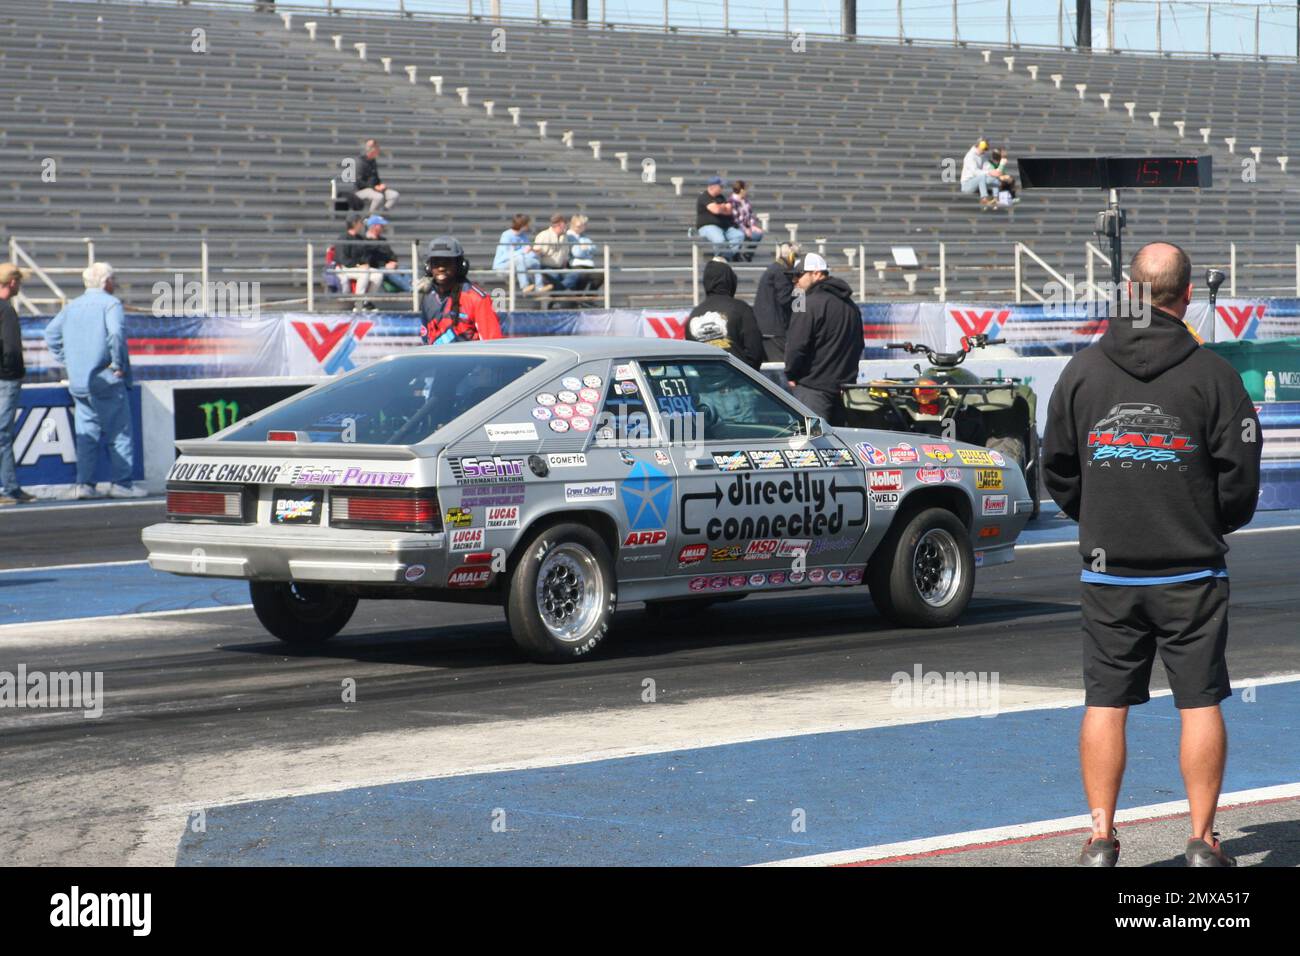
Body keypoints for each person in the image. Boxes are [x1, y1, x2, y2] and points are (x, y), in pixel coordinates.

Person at [1042, 242, 1262, 868]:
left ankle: (1100, 838)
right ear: (1185, 296)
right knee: (1199, 700)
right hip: (1190, 566)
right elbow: (1240, 479)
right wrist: (1208, 521)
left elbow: (1056, 465)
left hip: (1108, 568)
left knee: (1105, 700)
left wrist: (1100, 516)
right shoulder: (1214, 375)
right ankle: (1201, 840)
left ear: (1131, 293)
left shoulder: (1082, 370)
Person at [43, 263, 144, 499]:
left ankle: (85, 484)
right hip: (105, 378)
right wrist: (118, 365)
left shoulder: (73, 306)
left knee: (86, 434)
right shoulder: (110, 304)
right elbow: (117, 333)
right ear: (105, 281)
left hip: (78, 380)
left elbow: (50, 334)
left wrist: (69, 361)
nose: (114, 283)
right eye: (113, 279)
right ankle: (122, 484)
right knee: (119, 432)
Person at [782, 253, 861, 426]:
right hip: (844, 391)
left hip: (812, 390)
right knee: (840, 449)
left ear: (816, 274)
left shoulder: (807, 304)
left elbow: (796, 346)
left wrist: (791, 373)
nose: (795, 280)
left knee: (810, 447)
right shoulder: (851, 306)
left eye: (798, 275)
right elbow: (859, 346)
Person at [419, 236, 503, 344]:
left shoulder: (477, 299)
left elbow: (493, 345)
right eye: (436, 262)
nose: (441, 268)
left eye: (447, 262)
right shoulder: (428, 297)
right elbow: (426, 340)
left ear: (460, 265)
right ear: (428, 267)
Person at [686, 259, 764, 370]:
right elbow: (755, 351)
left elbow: (690, 358)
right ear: (729, 279)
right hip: (739, 382)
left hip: (705, 383)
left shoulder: (694, 315)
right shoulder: (740, 308)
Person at [0, 264, 34, 505]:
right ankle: (10, 487)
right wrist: (14, 373)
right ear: (12, 282)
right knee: (3, 433)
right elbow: (11, 348)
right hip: (6, 379)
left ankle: (10, 487)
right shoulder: (7, 311)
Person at [753, 242, 800, 362]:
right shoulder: (781, 271)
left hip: (767, 328)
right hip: (774, 330)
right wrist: (801, 293)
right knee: (779, 366)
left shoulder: (775, 268)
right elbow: (785, 299)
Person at [695, 176, 743, 261]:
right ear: (712, 186)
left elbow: (729, 210)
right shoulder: (704, 196)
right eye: (720, 186)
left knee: (739, 235)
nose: (722, 188)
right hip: (708, 227)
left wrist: (720, 207)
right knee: (719, 240)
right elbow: (716, 210)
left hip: (724, 227)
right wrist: (723, 207)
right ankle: (719, 260)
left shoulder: (721, 197)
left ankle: (725, 257)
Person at [492, 214, 541, 293]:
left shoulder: (523, 236)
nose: (529, 226)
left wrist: (534, 252)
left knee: (535, 261)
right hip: (502, 265)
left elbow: (527, 251)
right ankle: (524, 286)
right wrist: (522, 252)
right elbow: (506, 255)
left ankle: (539, 286)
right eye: (527, 224)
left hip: (519, 263)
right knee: (519, 259)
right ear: (522, 225)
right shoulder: (506, 236)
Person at [361, 215, 409, 293]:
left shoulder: (383, 240)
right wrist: (385, 265)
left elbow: (392, 255)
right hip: (376, 268)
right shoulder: (364, 241)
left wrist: (393, 262)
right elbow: (368, 259)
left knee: (406, 268)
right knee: (389, 271)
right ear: (374, 226)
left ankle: (413, 286)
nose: (383, 227)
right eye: (381, 225)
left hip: (387, 266)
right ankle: (411, 289)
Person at [335, 215, 380, 295]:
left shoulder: (359, 238)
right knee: (364, 273)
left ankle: (367, 302)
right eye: (360, 222)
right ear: (354, 223)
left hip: (359, 267)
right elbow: (343, 260)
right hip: (345, 268)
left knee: (378, 275)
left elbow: (366, 252)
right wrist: (358, 264)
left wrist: (365, 263)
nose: (362, 225)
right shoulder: (343, 238)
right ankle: (359, 303)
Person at [353, 139, 399, 215]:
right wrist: (374, 187)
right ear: (372, 150)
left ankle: (381, 216)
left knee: (394, 195)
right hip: (361, 190)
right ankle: (369, 219)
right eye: (377, 149)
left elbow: (376, 178)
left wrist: (380, 185)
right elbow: (358, 182)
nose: (378, 151)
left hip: (374, 189)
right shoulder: (360, 162)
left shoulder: (373, 161)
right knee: (378, 197)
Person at [564, 214, 603, 292]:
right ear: (573, 224)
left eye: (584, 225)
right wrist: (586, 250)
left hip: (588, 264)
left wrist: (585, 248)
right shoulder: (569, 236)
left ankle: (589, 297)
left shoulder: (583, 236)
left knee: (600, 276)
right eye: (580, 225)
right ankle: (578, 298)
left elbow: (594, 248)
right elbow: (577, 253)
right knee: (583, 276)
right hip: (575, 264)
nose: (583, 227)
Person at [531, 214, 570, 292]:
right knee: (556, 277)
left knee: (574, 276)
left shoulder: (564, 237)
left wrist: (564, 264)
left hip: (560, 268)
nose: (566, 227)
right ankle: (563, 295)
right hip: (545, 267)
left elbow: (565, 253)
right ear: (558, 225)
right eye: (564, 225)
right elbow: (536, 253)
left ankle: (560, 294)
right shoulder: (544, 235)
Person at [959, 138, 1000, 208]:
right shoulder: (970, 156)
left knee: (994, 179)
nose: (985, 151)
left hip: (978, 183)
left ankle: (996, 198)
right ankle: (984, 199)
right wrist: (989, 172)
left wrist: (995, 171)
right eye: (984, 149)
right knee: (982, 176)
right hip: (967, 185)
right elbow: (975, 172)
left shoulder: (982, 156)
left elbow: (988, 167)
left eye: (986, 149)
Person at [729, 180, 764, 262]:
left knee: (758, 234)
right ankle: (735, 255)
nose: (746, 191)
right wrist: (745, 229)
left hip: (747, 226)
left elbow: (750, 215)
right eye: (745, 189)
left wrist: (753, 226)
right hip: (736, 227)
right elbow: (735, 219)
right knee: (740, 233)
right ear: (741, 190)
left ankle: (747, 254)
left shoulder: (745, 201)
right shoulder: (732, 202)